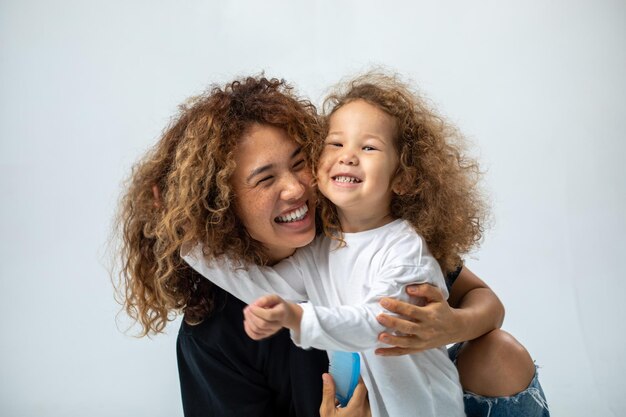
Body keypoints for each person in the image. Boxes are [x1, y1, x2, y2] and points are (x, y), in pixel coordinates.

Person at [115, 75, 548, 417]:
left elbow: (484, 302)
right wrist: (182, 234)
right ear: (221, 205)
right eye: (265, 179)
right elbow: (258, 286)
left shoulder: (361, 229)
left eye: (300, 163)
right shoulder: (217, 330)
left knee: (499, 352)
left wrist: (451, 326)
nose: (295, 189)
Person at [182, 72, 484, 417]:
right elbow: (267, 288)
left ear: (403, 177)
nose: (348, 156)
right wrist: (188, 240)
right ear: (221, 204)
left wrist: (296, 317)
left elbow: (376, 323)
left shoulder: (405, 250)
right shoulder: (319, 253)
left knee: (501, 355)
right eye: (336, 144)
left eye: (368, 147)